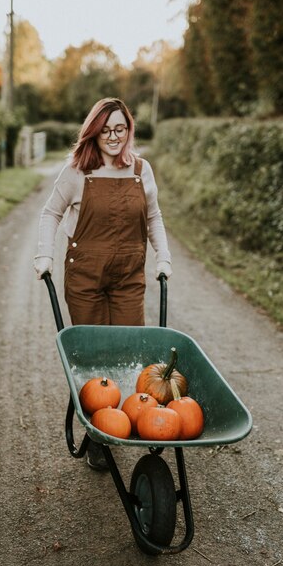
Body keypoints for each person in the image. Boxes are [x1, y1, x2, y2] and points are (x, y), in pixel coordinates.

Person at [34, 97, 172, 469]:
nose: (113, 137)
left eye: (120, 129)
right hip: (86, 277)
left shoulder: (142, 171)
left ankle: (129, 420)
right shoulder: (77, 172)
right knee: (94, 357)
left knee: (129, 352)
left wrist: (163, 257)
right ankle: (98, 432)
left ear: (129, 129)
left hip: (129, 276)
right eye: (105, 130)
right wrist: (44, 255)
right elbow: (51, 213)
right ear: (94, 133)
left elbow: (154, 217)